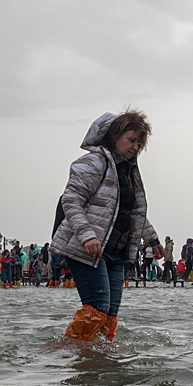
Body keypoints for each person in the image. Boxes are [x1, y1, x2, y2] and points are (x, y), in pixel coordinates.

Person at [50, 110, 161, 341]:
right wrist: (87, 236)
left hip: (116, 251)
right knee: (97, 307)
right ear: (113, 137)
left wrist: (152, 238)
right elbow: (70, 200)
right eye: (131, 140)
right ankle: (69, 352)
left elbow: (131, 211)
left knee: (110, 313)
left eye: (140, 142)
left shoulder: (128, 171)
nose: (136, 146)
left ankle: (98, 360)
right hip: (88, 248)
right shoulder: (94, 162)